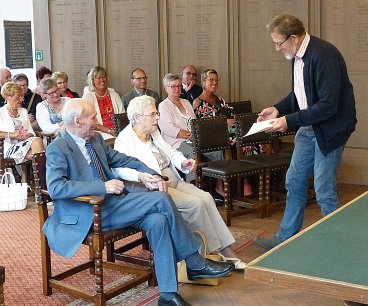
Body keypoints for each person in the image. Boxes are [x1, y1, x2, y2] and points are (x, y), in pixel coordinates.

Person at [43, 98, 234, 306]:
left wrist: (149, 173)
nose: (97, 121)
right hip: (88, 212)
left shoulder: (95, 139)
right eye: (92, 117)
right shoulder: (58, 148)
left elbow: (122, 159)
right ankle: (194, 261)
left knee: (158, 221)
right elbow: (56, 188)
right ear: (78, 121)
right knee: (161, 199)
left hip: (113, 205)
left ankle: (168, 295)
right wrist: (102, 187)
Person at [254, 14, 357, 250]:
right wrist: (277, 109)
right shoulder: (296, 55)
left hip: (330, 130)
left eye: (278, 43)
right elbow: (300, 96)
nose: (277, 49)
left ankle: (338, 246)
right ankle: (286, 237)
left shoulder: (324, 55)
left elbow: (328, 105)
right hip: (309, 126)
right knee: (295, 180)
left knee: (323, 190)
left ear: (294, 38)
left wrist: (287, 121)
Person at [113, 95, 246, 269]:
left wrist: (183, 162)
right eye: (153, 114)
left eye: (157, 113)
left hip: (172, 178)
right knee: (195, 204)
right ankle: (207, 255)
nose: (157, 117)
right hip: (156, 188)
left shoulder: (153, 132)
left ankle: (224, 248)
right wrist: (141, 177)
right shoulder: (125, 139)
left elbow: (170, 152)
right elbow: (120, 169)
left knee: (206, 198)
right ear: (138, 117)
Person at [193, 68, 259, 196]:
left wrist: (229, 122)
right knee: (242, 142)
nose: (214, 83)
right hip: (214, 137)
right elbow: (204, 126)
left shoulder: (219, 99)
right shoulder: (197, 103)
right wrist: (225, 122)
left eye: (216, 80)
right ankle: (244, 183)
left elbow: (232, 116)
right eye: (211, 80)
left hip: (230, 132)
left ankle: (247, 180)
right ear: (203, 82)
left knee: (251, 140)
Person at [159, 73, 225, 198]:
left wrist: (196, 136)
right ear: (166, 88)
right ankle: (193, 188)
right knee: (193, 151)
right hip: (176, 143)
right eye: (172, 86)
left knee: (217, 150)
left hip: (194, 139)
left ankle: (218, 187)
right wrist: (192, 136)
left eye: (178, 86)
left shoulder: (186, 102)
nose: (176, 89)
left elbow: (195, 123)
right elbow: (171, 130)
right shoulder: (163, 106)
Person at [0, 82, 44, 163]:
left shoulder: (23, 111)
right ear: (8, 97)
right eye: (18, 97)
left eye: (22, 96)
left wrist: (26, 135)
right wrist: (11, 134)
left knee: (38, 145)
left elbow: (31, 132)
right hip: (7, 148)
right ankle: (42, 175)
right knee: (41, 153)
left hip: (24, 144)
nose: (22, 99)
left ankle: (39, 175)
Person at [82, 66, 125, 139]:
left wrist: (118, 131)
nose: (102, 80)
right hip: (98, 133)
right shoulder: (88, 97)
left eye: (104, 77)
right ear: (92, 81)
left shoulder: (115, 95)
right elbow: (89, 122)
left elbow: (122, 116)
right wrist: (109, 131)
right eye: (98, 78)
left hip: (118, 132)